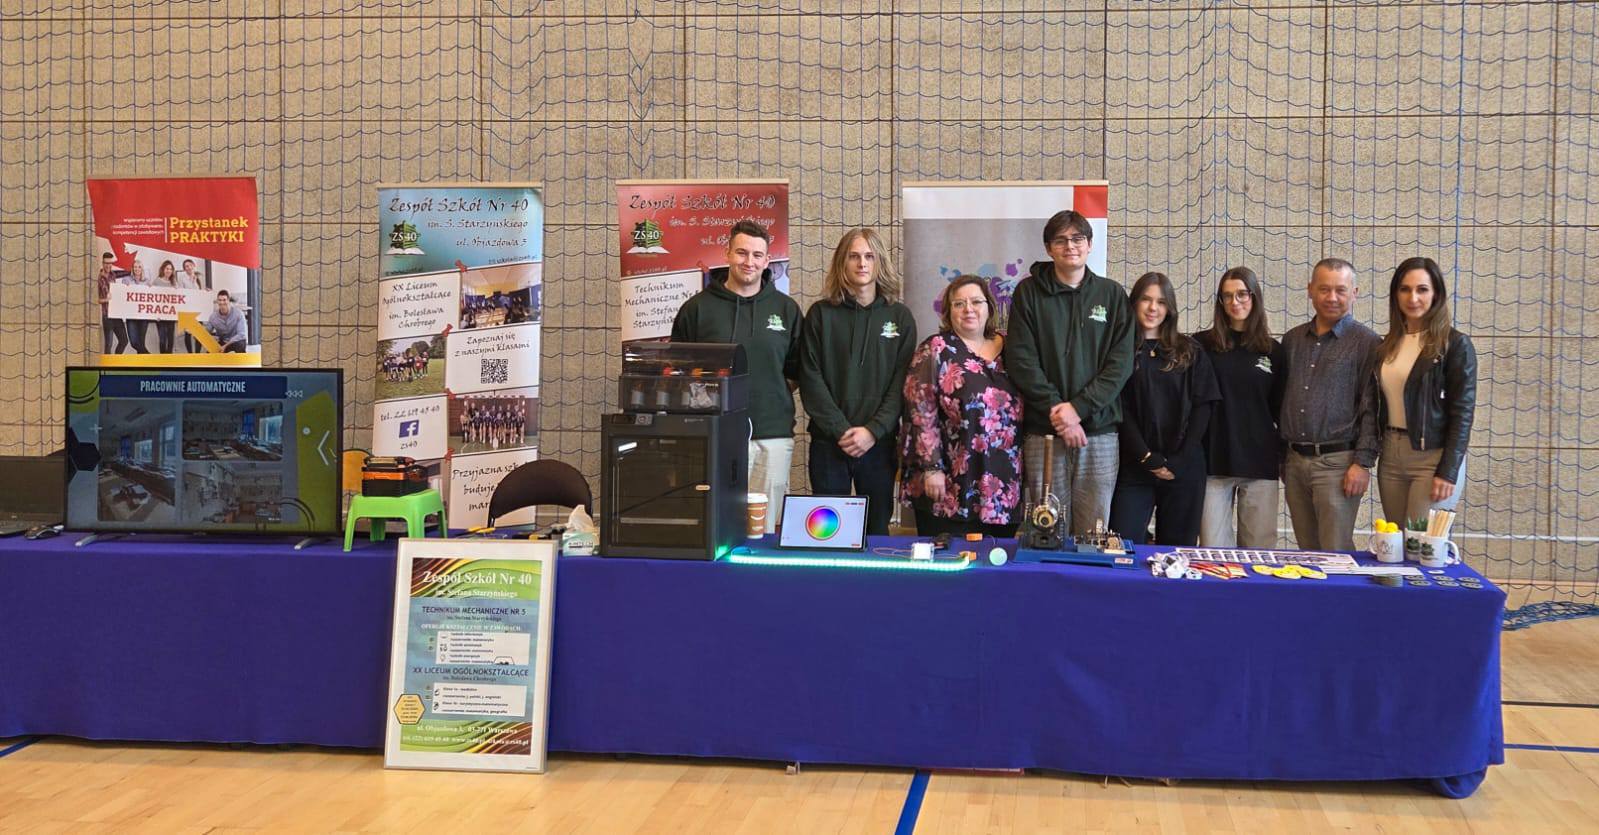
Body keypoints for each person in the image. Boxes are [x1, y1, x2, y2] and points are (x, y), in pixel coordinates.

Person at [1003, 209, 1134, 535]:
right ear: (1049, 248)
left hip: (1099, 433)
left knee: (1094, 532)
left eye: (1077, 239)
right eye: (1060, 240)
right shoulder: (1028, 293)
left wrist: (1078, 409)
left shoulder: (1112, 295)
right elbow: (1021, 359)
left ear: (1090, 244)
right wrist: (1059, 412)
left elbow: (1120, 364)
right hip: (1044, 432)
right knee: (1045, 528)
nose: (1070, 246)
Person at [670, 220, 802, 534]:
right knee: (715, 525)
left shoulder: (787, 310)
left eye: (757, 255)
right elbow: (679, 373)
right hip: (714, 435)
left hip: (772, 436)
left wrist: (766, 397)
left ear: (767, 261)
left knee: (763, 529)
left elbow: (797, 370)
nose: (749, 261)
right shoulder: (696, 309)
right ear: (727, 253)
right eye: (741, 252)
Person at [799, 228, 917, 536]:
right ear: (842, 262)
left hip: (879, 445)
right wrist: (840, 430)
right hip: (829, 443)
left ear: (880, 263)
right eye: (854, 256)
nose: (862, 263)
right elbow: (810, 378)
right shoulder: (820, 315)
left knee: (876, 531)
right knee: (828, 534)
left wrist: (873, 431)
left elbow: (901, 385)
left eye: (869, 256)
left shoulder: (900, 318)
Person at [900, 275, 1024, 537]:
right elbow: (920, 410)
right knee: (949, 558)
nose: (969, 309)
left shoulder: (1013, 347)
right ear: (948, 312)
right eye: (959, 304)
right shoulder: (936, 348)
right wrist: (931, 468)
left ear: (989, 307)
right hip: (948, 486)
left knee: (997, 558)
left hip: (1003, 490)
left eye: (976, 302)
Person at [1108, 273, 1220, 546]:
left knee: (1177, 552)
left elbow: (1203, 407)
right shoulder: (1120, 351)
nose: (1152, 308)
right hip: (1134, 466)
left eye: (1160, 301)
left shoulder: (1190, 350)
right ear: (1134, 303)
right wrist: (1147, 457)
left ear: (1169, 308)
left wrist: (1179, 460)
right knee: (1122, 545)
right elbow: (1120, 409)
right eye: (1146, 299)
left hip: (1184, 467)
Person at [1279, 258, 1381, 551]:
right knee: (1308, 553)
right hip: (1294, 462)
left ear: (1354, 293)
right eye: (1324, 289)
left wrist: (1362, 463)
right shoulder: (1292, 340)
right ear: (1310, 290)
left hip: (1338, 465)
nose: (1332, 297)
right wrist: (1281, 457)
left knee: (1335, 552)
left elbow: (1372, 408)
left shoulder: (1368, 343)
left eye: (1340, 290)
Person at [1375, 256, 1477, 529]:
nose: (1413, 298)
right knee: (1395, 542)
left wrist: (1449, 470)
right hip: (1391, 457)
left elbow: (1462, 413)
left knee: (1422, 544)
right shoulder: (1387, 345)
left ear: (1436, 294)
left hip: (1432, 458)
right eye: (1405, 289)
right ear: (1395, 294)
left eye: (1422, 289)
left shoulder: (1455, 345)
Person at [1197, 267, 1286, 548]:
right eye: (1227, 296)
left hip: (1259, 462)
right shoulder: (1201, 346)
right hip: (1213, 461)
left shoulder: (1273, 351)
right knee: (1213, 551)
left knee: (1259, 552)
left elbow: (1279, 408)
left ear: (1254, 296)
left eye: (1242, 294)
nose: (1235, 302)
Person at [97, 251, 129, 354]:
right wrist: (106, 299)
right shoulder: (98, 278)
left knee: (124, 340)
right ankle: (108, 363)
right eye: (106, 263)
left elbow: (126, 272)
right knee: (109, 344)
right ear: (103, 263)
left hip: (116, 314)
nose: (108, 265)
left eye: (110, 263)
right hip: (107, 316)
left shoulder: (113, 274)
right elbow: (96, 299)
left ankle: (116, 360)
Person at [124, 258, 152, 353]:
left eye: (139, 267)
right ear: (132, 268)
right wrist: (125, 288)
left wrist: (151, 289)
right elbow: (122, 295)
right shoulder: (126, 280)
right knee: (134, 342)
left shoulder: (147, 281)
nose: (137, 269)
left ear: (142, 269)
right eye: (135, 267)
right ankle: (151, 357)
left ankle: (142, 361)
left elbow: (151, 297)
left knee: (141, 343)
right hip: (131, 315)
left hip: (143, 316)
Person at [154, 260, 178, 353]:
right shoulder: (157, 281)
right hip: (160, 316)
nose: (169, 271)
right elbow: (151, 298)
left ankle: (169, 358)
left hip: (170, 315)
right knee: (162, 339)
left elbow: (179, 297)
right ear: (163, 269)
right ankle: (162, 358)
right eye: (167, 268)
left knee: (170, 339)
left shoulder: (174, 282)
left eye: (171, 269)